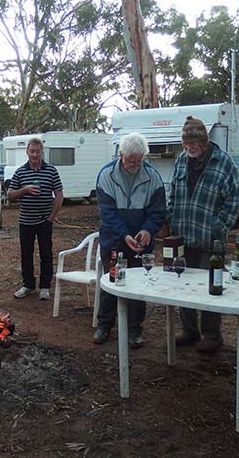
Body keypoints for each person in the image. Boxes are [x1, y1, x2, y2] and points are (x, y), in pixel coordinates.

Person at [167, 116, 239, 353]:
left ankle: (212, 335)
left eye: (193, 143)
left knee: (211, 286)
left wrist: (219, 227)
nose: (189, 147)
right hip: (182, 235)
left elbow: (235, 199)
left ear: (204, 140)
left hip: (210, 238)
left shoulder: (223, 162)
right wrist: (169, 218)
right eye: (185, 142)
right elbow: (172, 192)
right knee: (182, 284)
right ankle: (189, 330)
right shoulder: (181, 161)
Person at [93, 133, 166, 348]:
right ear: (121, 154)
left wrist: (148, 230)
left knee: (137, 287)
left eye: (139, 160)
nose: (135, 165)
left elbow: (158, 212)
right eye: (130, 160)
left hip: (141, 243)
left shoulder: (153, 177)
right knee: (110, 282)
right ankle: (104, 325)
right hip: (114, 241)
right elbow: (108, 214)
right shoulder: (106, 175)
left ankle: (135, 330)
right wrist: (124, 235)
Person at [7, 137, 63, 300]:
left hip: (45, 221)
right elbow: (10, 195)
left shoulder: (51, 170)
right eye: (32, 151)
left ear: (42, 152)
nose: (35, 154)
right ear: (27, 152)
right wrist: (24, 190)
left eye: (38, 151)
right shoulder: (20, 172)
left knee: (46, 253)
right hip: (26, 221)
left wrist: (52, 217)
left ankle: (45, 287)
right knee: (26, 254)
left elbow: (59, 194)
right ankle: (28, 285)